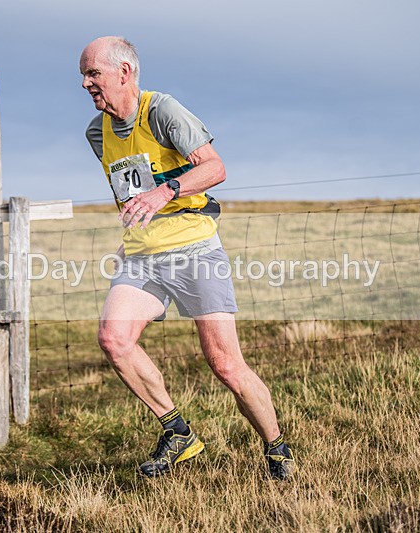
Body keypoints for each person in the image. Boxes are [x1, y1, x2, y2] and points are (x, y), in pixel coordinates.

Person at [79, 36, 294, 481]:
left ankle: (276, 446)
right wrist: (132, 233)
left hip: (194, 249)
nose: (85, 83)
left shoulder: (161, 111)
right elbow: (130, 193)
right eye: (83, 75)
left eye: (93, 73)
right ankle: (177, 432)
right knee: (114, 340)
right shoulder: (96, 133)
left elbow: (215, 167)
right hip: (143, 255)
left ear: (125, 72)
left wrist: (166, 192)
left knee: (225, 365)